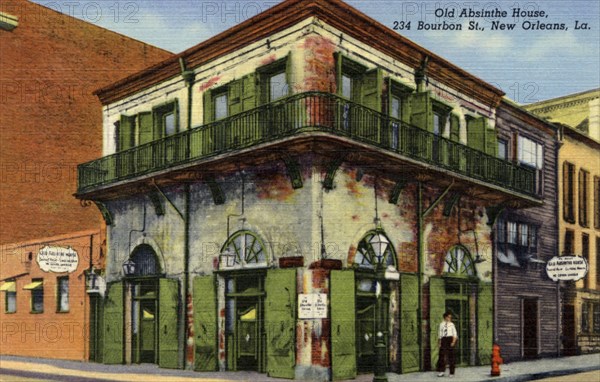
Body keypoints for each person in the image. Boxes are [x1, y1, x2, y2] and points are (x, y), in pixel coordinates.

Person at [437, 311, 458, 378]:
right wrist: (439, 342)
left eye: (450, 317)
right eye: (448, 317)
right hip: (443, 339)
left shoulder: (452, 324)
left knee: (451, 356)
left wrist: (453, 342)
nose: (449, 318)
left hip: (450, 339)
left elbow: (455, 334)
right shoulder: (441, 324)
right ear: (445, 317)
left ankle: (451, 372)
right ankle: (441, 371)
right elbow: (440, 334)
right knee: (442, 356)